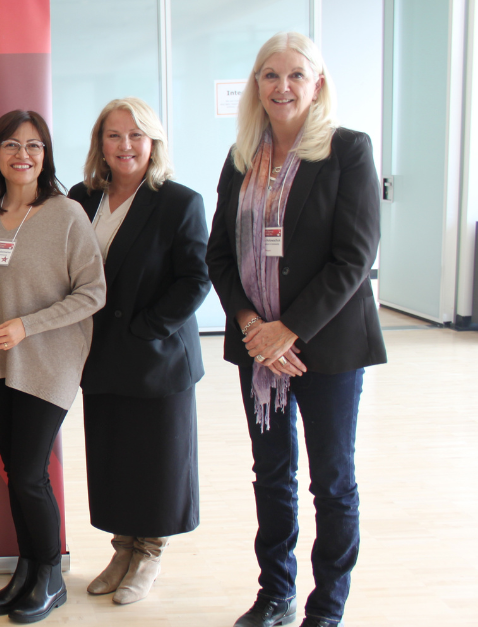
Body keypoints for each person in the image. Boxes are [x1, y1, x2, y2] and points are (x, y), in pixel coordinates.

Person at [205, 32, 385, 627]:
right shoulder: (240, 161)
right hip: (258, 349)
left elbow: (353, 259)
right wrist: (256, 325)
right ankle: (276, 592)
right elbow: (219, 258)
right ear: (256, 86)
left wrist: (289, 330)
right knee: (272, 473)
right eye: (270, 75)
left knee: (332, 481)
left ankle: (327, 606)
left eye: (296, 75)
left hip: (326, 349)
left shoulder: (347, 150)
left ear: (318, 83)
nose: (283, 87)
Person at [0, 110, 106, 623]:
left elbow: (93, 293)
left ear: (46, 156)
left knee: (30, 475)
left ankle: (50, 575)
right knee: (18, 472)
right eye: (12, 145)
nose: (23, 154)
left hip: (47, 360)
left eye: (34, 146)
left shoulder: (66, 215)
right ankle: (28, 567)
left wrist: (27, 326)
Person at [67, 97, 210, 605]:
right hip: (98, 353)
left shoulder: (178, 202)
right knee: (114, 457)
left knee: (156, 461)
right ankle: (121, 547)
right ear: (99, 145)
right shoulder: (81, 199)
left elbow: (196, 279)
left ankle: (148, 552)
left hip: (155, 356)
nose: (125, 146)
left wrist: (149, 327)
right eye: (113, 135)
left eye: (136, 135)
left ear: (153, 143)